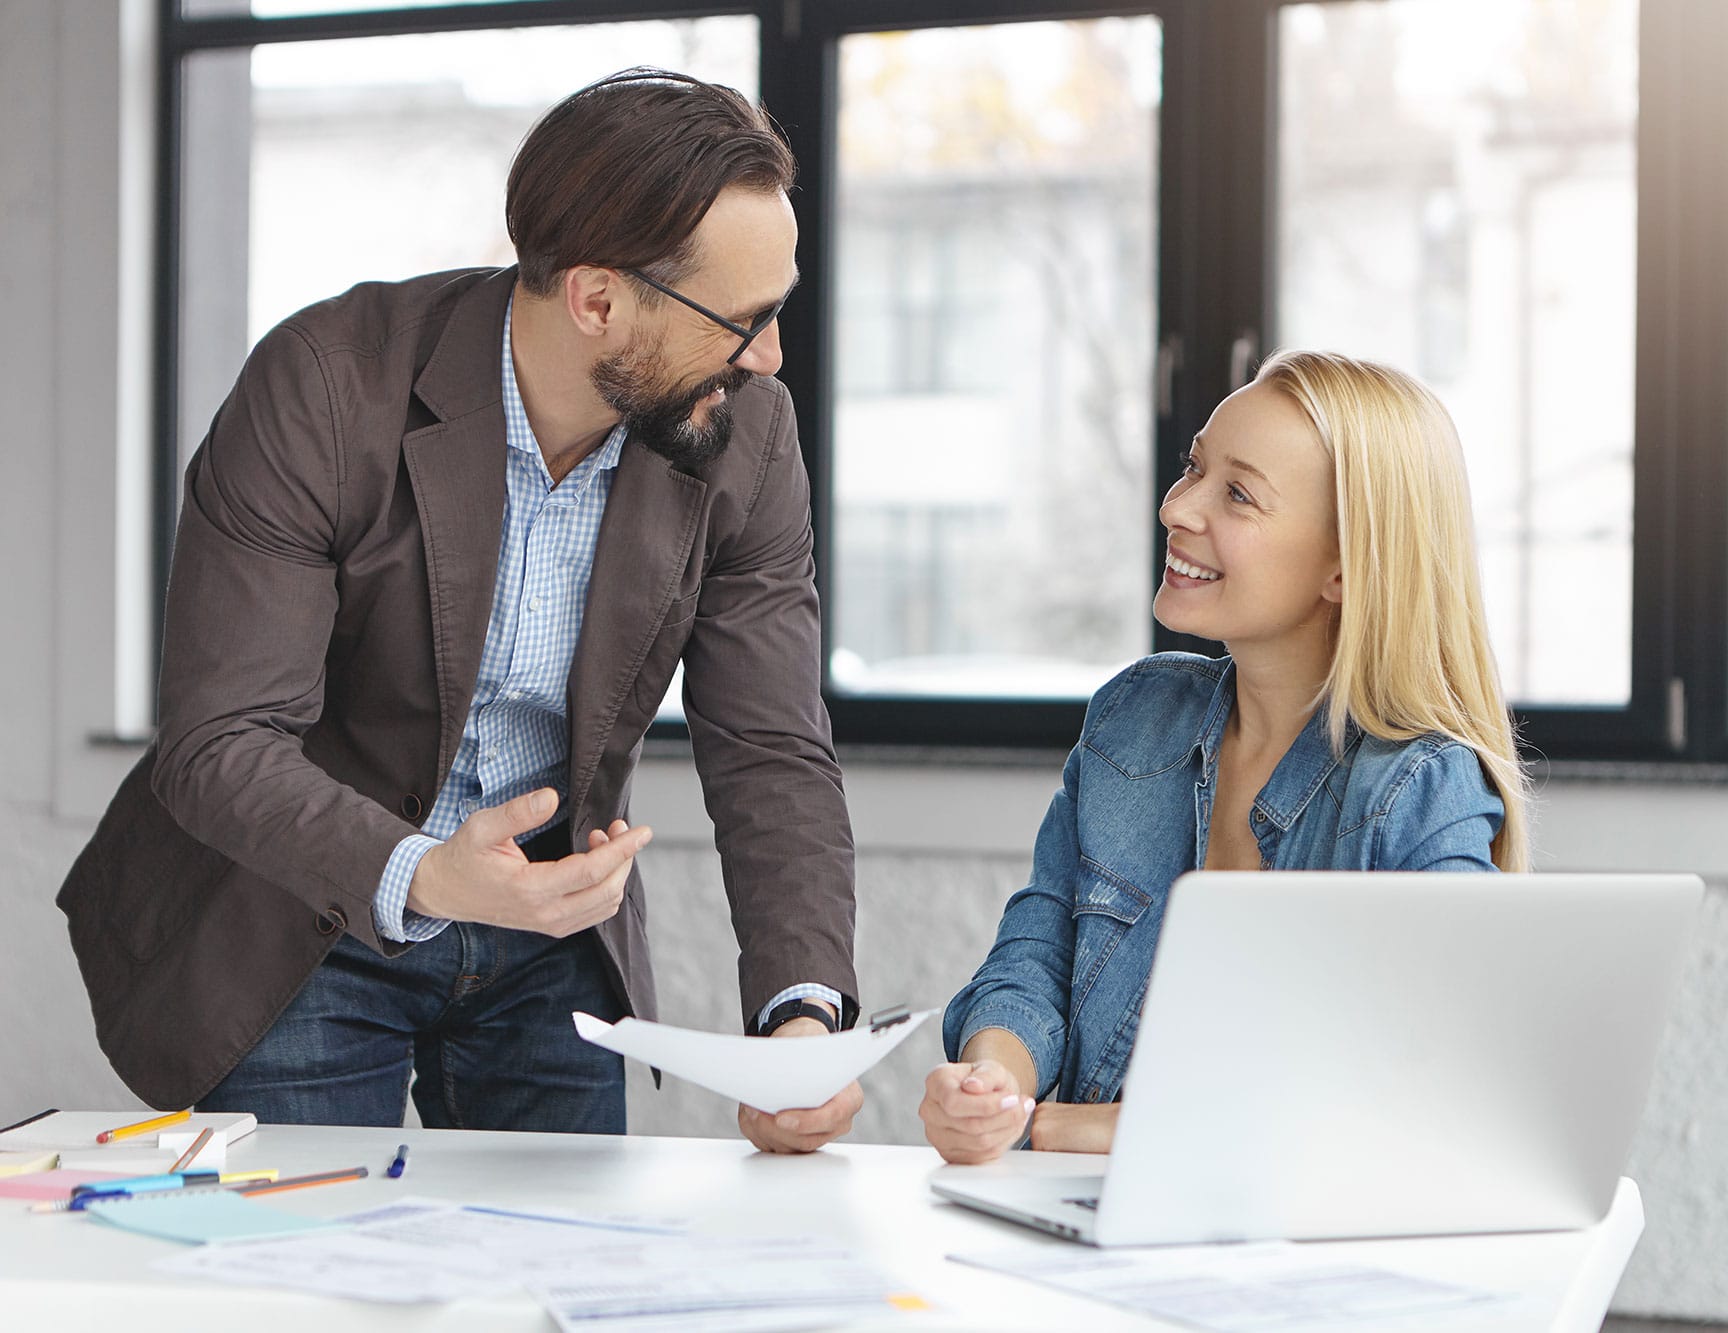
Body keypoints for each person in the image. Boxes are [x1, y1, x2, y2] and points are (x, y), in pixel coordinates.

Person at [59, 69, 861, 1154]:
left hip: (549, 938)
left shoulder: (746, 434)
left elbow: (769, 744)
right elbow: (220, 740)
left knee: (555, 1286)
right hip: (307, 908)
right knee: (308, 1282)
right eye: (743, 320)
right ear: (597, 299)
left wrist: (800, 1016)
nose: (768, 357)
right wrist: (430, 872)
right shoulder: (325, 387)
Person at [921, 350, 1530, 1165]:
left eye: (1238, 494)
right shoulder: (1134, 717)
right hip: (1083, 1222)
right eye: (1194, 467)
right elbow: (1035, 955)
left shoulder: (1419, 788)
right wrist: (993, 1087)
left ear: (1345, 566)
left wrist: (1074, 1127)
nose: (1178, 508)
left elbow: (1426, 1096)